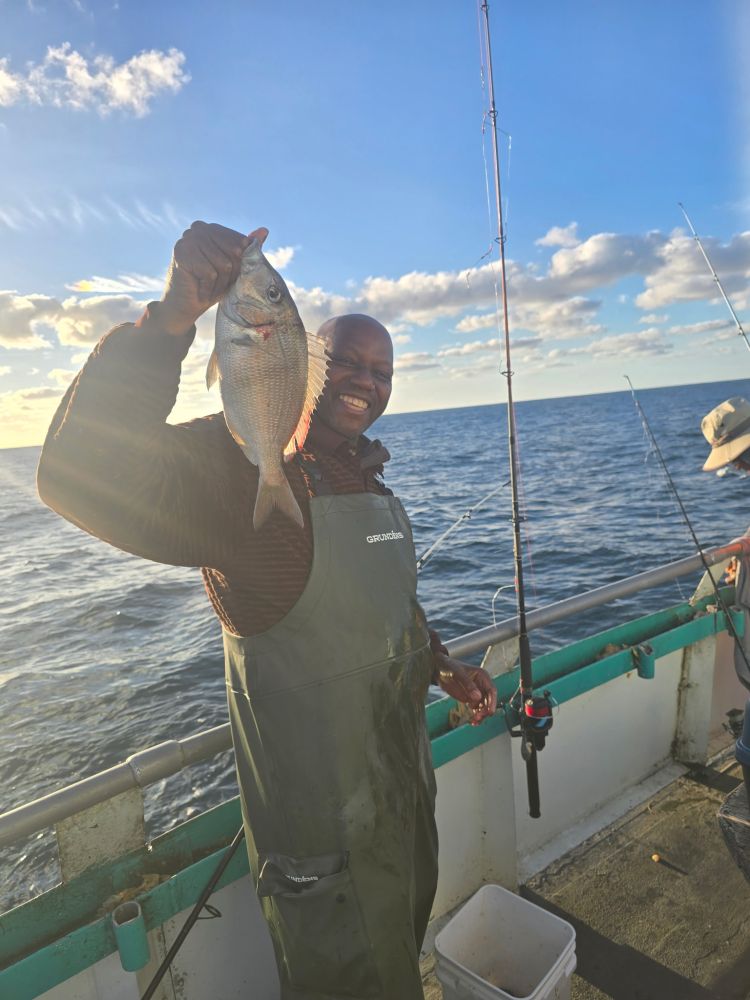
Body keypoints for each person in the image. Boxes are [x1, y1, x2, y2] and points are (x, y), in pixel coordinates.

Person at [37, 221, 497, 999]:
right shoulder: (235, 475)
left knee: (400, 960)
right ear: (297, 359)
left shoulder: (372, 487)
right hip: (321, 844)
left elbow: (385, 618)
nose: (364, 378)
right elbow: (80, 472)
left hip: (401, 808)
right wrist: (173, 318)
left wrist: (439, 664)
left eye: (380, 368)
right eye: (345, 358)